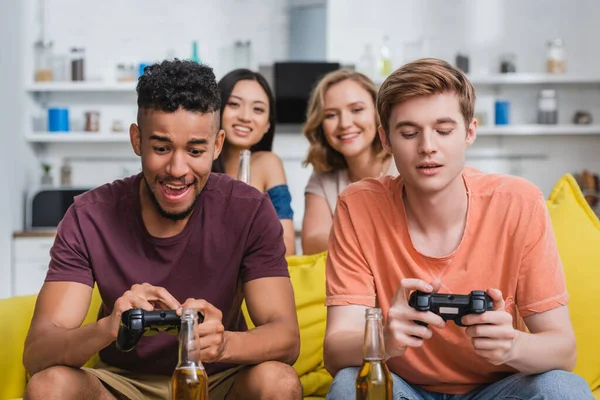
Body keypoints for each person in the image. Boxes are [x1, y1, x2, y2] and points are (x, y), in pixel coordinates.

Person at [23, 59, 302, 400]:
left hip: (218, 379)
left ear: (217, 145)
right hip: (122, 384)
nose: (177, 168)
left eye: (196, 150)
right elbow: (38, 353)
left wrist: (225, 342)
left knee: (280, 381)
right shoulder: (88, 216)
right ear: (137, 140)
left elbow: (286, 338)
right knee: (47, 387)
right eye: (161, 148)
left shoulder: (251, 210)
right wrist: (109, 327)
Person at [323, 58, 593, 399]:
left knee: (563, 388)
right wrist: (384, 338)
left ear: (470, 132)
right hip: (404, 389)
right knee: (349, 386)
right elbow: (334, 352)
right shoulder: (358, 206)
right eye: (408, 132)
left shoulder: (518, 202)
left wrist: (512, 345)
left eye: (444, 130)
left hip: (500, 388)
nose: (427, 146)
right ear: (386, 140)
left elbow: (563, 351)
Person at [301, 69, 397, 255]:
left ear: (378, 113)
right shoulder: (322, 178)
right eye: (331, 115)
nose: (344, 123)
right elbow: (313, 243)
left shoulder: (403, 164)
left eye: (357, 110)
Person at [212, 68, 296, 256]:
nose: (245, 117)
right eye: (234, 104)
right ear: (215, 109)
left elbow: (288, 245)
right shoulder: (196, 162)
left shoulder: (268, 164)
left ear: (267, 124)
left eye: (257, 109)